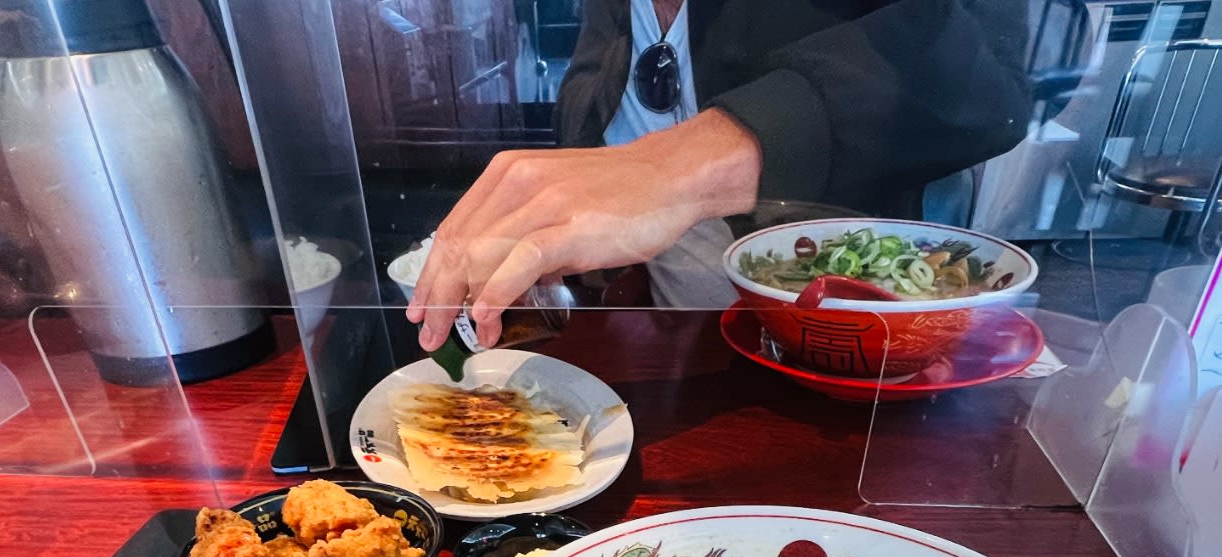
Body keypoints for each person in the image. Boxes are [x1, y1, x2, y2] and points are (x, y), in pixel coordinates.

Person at [408, 0, 1031, 350]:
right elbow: (604, 81)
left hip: (857, 331)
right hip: (677, 337)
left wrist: (684, 161)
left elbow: (988, 82)